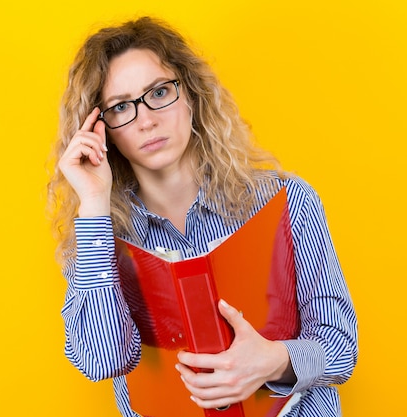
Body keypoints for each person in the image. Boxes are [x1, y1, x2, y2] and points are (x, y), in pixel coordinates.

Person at [46, 16, 358, 417]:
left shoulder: (286, 200)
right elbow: (101, 360)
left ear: (190, 93)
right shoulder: (97, 234)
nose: (146, 120)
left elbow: (341, 348)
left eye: (159, 92)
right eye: (121, 107)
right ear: (101, 128)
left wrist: (273, 360)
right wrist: (92, 203)